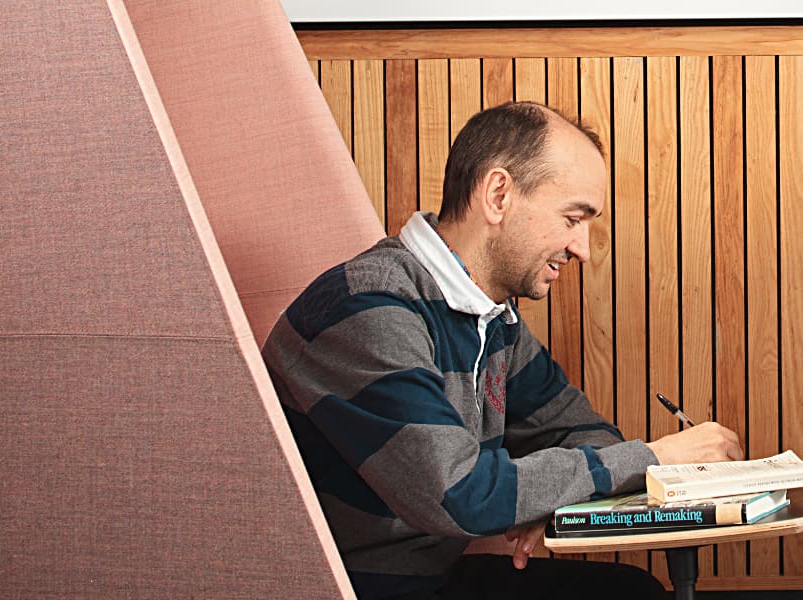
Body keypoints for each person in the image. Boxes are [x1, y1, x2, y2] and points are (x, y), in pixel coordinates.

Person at [264, 101, 744, 600]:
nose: (581, 247)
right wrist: (652, 458)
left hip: (436, 579)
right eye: (572, 218)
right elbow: (460, 493)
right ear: (498, 195)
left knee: (633, 592)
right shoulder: (368, 307)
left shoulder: (492, 318)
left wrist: (546, 499)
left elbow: (583, 429)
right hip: (359, 588)